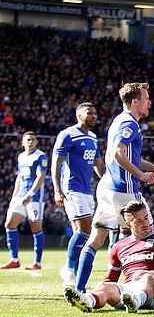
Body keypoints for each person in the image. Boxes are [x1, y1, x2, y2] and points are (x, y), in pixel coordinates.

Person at [73, 83, 154, 293]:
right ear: (135, 101)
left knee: (98, 238)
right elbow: (119, 154)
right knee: (149, 235)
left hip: (107, 187)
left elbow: (129, 155)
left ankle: (79, 288)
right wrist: (140, 175)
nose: (149, 103)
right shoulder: (130, 123)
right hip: (124, 188)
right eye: (146, 99)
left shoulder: (119, 121)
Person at [64, 201, 154, 313]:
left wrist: (150, 273)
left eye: (146, 218)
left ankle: (136, 300)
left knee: (148, 279)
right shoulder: (118, 246)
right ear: (128, 224)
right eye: (139, 221)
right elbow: (111, 279)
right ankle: (87, 301)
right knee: (104, 286)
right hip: (127, 292)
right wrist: (103, 287)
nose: (145, 223)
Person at [52, 103, 105, 286]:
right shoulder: (67, 134)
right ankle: (68, 268)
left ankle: (72, 271)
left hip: (87, 190)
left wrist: (107, 179)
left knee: (80, 232)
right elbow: (56, 163)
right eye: (89, 113)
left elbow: (98, 164)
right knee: (85, 230)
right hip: (72, 189)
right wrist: (57, 189)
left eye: (95, 113)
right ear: (79, 115)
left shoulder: (92, 137)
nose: (94, 116)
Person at [2, 132, 48, 270]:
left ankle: (37, 263)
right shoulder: (21, 157)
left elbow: (41, 176)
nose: (30, 142)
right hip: (20, 196)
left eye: (33, 140)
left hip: (34, 198)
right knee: (10, 224)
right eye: (28, 140)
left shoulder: (40, 156)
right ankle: (14, 259)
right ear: (22, 142)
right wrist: (14, 197)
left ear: (36, 142)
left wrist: (31, 193)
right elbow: (19, 178)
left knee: (36, 228)